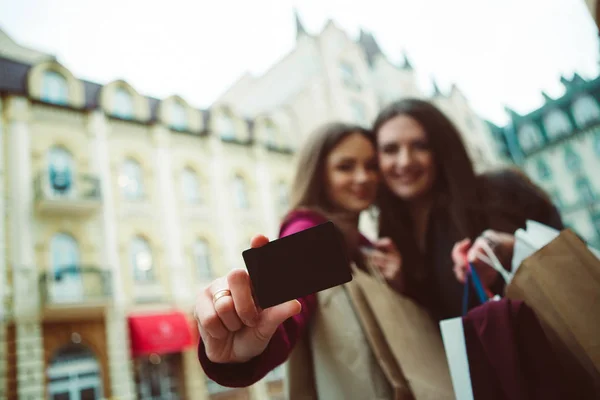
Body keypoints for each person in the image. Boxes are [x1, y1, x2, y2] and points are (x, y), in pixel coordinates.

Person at [195, 122, 402, 399]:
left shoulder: (363, 242)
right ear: (319, 175)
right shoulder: (309, 229)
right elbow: (289, 311)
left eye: (371, 165)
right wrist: (245, 344)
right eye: (345, 167)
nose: (363, 177)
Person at [372, 99, 563, 321]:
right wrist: (401, 287)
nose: (404, 161)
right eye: (390, 149)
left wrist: (511, 250)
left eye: (420, 146)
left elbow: (571, 258)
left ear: (441, 149)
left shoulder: (500, 190)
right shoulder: (391, 238)